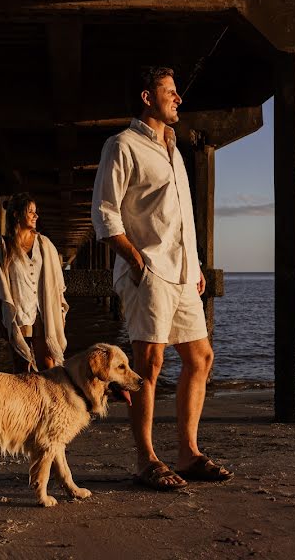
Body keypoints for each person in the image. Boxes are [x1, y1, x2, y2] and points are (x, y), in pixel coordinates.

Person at [91, 66, 234, 490]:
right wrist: (136, 262)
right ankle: (145, 459)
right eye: (169, 92)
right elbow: (104, 213)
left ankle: (188, 453)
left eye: (176, 92)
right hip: (149, 271)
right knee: (147, 366)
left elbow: (180, 220)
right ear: (146, 97)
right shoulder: (122, 146)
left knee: (200, 358)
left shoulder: (174, 150)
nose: (178, 99)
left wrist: (197, 265)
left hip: (184, 273)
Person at [0, 192, 68, 373]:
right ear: (16, 214)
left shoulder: (44, 244)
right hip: (18, 313)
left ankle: (47, 402)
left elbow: (57, 283)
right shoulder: (2, 246)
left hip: (43, 312)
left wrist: (60, 311)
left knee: (47, 365)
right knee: (22, 367)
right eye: (31, 212)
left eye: (35, 212)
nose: (36, 216)